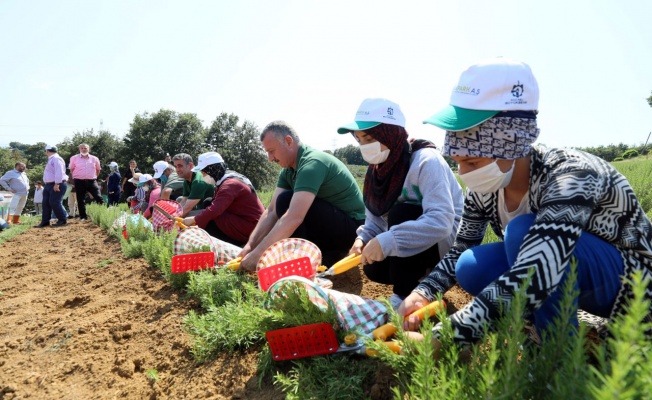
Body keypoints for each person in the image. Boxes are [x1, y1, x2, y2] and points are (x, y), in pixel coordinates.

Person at [399, 57, 652, 346]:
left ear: (511, 144)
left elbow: (538, 266)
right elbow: (461, 247)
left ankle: (557, 353)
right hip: (576, 279)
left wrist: (446, 337)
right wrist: (424, 291)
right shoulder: (485, 188)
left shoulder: (572, 174)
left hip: (638, 288)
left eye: (471, 161)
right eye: (457, 162)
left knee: (523, 232)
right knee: (471, 265)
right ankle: (546, 321)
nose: (464, 174)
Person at [336, 98, 464, 309]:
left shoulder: (425, 160)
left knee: (402, 212)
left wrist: (388, 241)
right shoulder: (376, 172)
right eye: (359, 140)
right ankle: (418, 280)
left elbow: (442, 221)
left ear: (389, 132)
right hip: (417, 244)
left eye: (369, 138)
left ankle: (404, 295)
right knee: (373, 268)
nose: (364, 146)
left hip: (447, 245)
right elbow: (375, 221)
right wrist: (363, 239)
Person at [238, 121, 366, 271]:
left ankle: (313, 258)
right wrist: (249, 247)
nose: (270, 158)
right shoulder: (288, 170)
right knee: (282, 201)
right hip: (331, 222)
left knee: (286, 201)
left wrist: (258, 255)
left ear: (288, 141)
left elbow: (294, 217)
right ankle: (319, 254)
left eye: (272, 151)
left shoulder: (312, 163)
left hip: (353, 229)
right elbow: (271, 211)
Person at [181, 151, 265, 247]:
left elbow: (215, 210)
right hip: (246, 221)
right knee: (208, 203)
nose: (203, 176)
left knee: (211, 217)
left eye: (204, 173)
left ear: (213, 169)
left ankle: (226, 244)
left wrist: (194, 219)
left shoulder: (230, 184)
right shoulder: (226, 178)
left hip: (251, 227)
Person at [35, 144, 68, 227]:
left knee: (54, 202)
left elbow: (59, 172)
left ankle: (62, 219)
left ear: (47, 151)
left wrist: (57, 184)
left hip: (56, 183)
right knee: (45, 203)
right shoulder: (52, 159)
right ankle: (45, 221)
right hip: (48, 184)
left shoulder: (56, 159)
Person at [69, 143, 103, 221]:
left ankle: (103, 213)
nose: (84, 149)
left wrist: (94, 177)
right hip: (79, 181)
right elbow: (71, 169)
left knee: (98, 197)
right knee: (80, 199)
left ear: (89, 149)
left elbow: (98, 170)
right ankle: (83, 217)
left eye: (85, 148)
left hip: (92, 181)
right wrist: (76, 177)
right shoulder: (74, 158)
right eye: (82, 148)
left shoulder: (95, 158)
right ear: (79, 149)